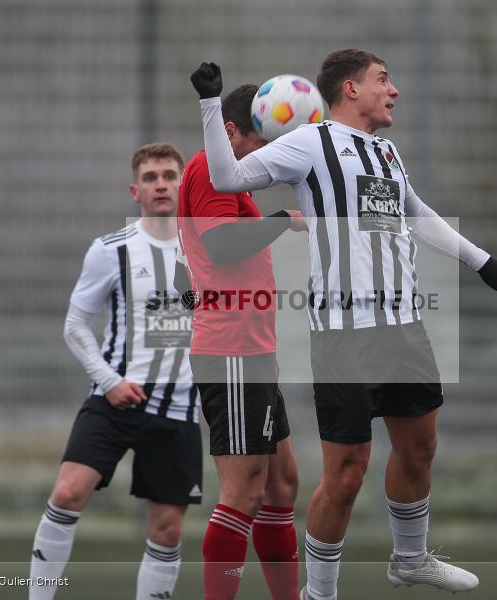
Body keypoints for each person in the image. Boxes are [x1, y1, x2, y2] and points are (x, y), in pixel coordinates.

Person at [190, 49, 497, 599]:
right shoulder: (309, 142)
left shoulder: (386, 152)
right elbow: (226, 178)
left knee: (420, 449)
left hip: (404, 324)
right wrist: (207, 103)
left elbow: (415, 214)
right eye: (382, 80)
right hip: (344, 334)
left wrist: (483, 261)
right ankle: (321, 594)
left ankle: (410, 560)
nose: (392, 91)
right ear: (349, 88)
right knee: (346, 474)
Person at [28, 143, 202, 600]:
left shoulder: (208, 249)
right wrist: (109, 381)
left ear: (183, 184)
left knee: (166, 530)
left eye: (168, 175)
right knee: (67, 494)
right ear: (135, 190)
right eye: (150, 177)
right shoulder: (110, 250)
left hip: (180, 406)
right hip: (114, 398)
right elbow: (75, 325)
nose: (161, 184)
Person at [177, 84, 306, 600]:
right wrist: (282, 222)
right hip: (230, 350)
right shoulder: (211, 168)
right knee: (244, 492)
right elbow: (222, 245)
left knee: (281, 485)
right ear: (229, 130)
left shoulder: (234, 178)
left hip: (253, 351)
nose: (266, 156)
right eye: (260, 141)